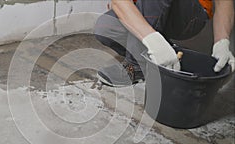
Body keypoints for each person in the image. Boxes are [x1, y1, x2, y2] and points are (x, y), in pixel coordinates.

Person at [94, 0, 234, 87]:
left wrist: (222, 41)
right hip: (148, 9)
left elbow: (223, 1)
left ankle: (136, 66)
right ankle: (165, 52)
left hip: (188, 13)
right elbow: (119, 2)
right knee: (106, 27)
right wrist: (153, 42)